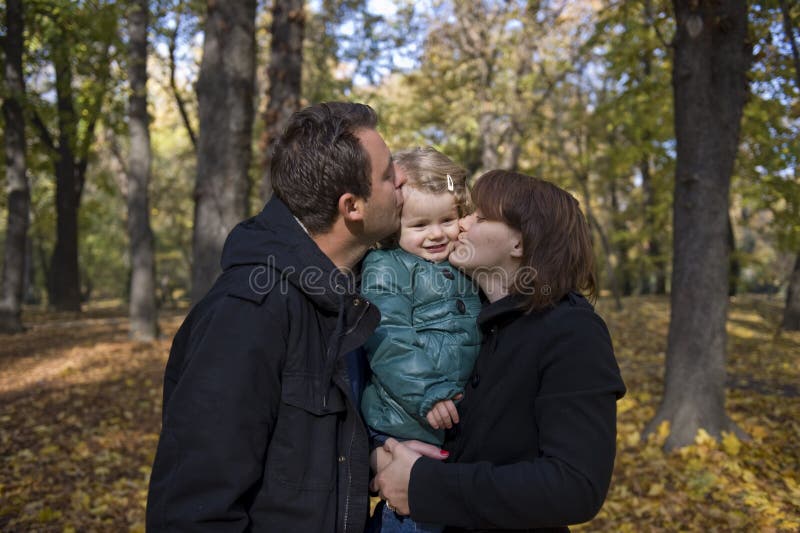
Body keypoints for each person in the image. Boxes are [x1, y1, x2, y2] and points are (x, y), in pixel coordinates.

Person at [146, 102, 431, 532]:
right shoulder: (247, 313)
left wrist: (373, 456)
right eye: (389, 174)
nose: (402, 180)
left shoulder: (340, 298)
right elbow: (194, 509)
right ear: (351, 206)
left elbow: (295, 455)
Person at [372, 169, 627, 532]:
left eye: (480, 216)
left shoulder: (572, 332)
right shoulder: (467, 316)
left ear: (519, 244)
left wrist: (424, 486)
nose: (460, 224)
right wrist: (380, 455)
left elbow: (576, 487)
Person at [359, 148, 482, 532]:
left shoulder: (464, 264)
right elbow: (388, 337)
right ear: (395, 226)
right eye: (420, 225)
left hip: (451, 424)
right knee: (412, 516)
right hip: (406, 418)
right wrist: (428, 391)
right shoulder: (387, 267)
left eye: (447, 219)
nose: (436, 234)